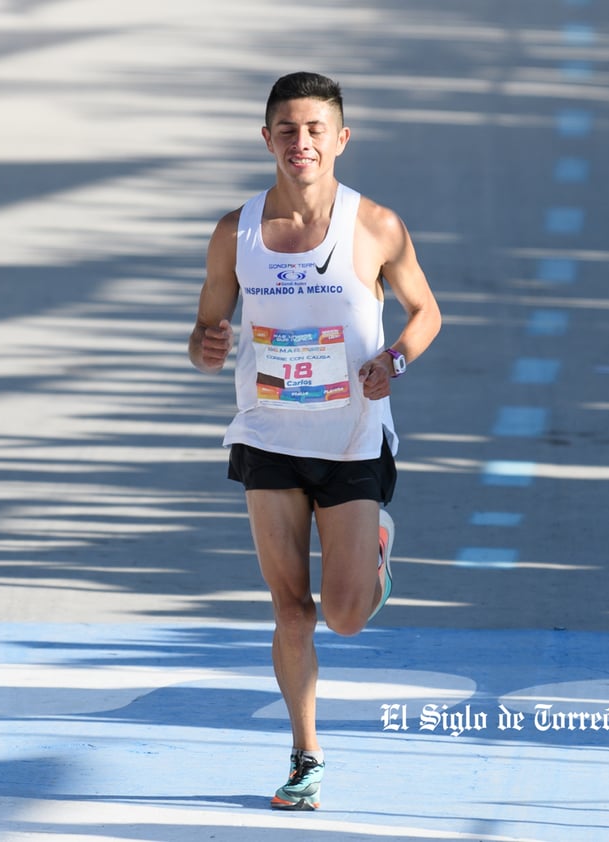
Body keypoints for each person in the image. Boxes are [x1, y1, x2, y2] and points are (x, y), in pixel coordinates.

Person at [188, 71, 441, 811]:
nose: (302, 142)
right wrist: (205, 345)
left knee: (346, 616)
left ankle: (377, 554)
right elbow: (206, 326)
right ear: (267, 139)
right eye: (288, 130)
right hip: (268, 436)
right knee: (291, 609)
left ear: (341, 139)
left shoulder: (376, 226)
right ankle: (306, 757)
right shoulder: (234, 233)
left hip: (354, 439)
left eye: (315, 130)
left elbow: (426, 313)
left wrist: (393, 360)